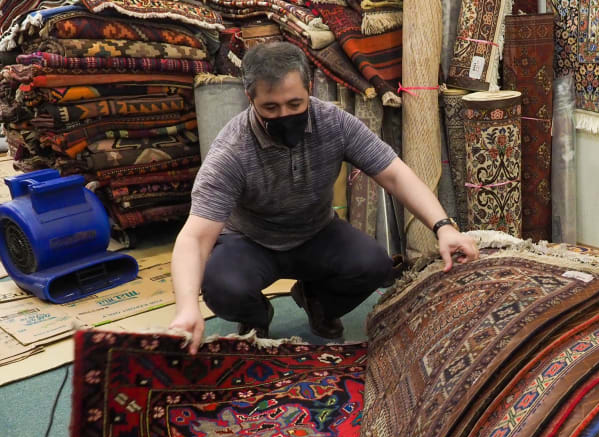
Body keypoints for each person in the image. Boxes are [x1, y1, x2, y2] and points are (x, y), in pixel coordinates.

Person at [170, 41, 478, 354]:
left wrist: (443, 226)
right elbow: (194, 238)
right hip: (250, 241)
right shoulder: (231, 151)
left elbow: (395, 175)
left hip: (316, 232)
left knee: (374, 266)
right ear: (250, 98)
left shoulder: (334, 123)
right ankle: (257, 317)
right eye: (270, 108)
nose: (284, 115)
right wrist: (185, 307)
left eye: (294, 104)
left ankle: (317, 301)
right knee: (223, 288)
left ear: (309, 88)